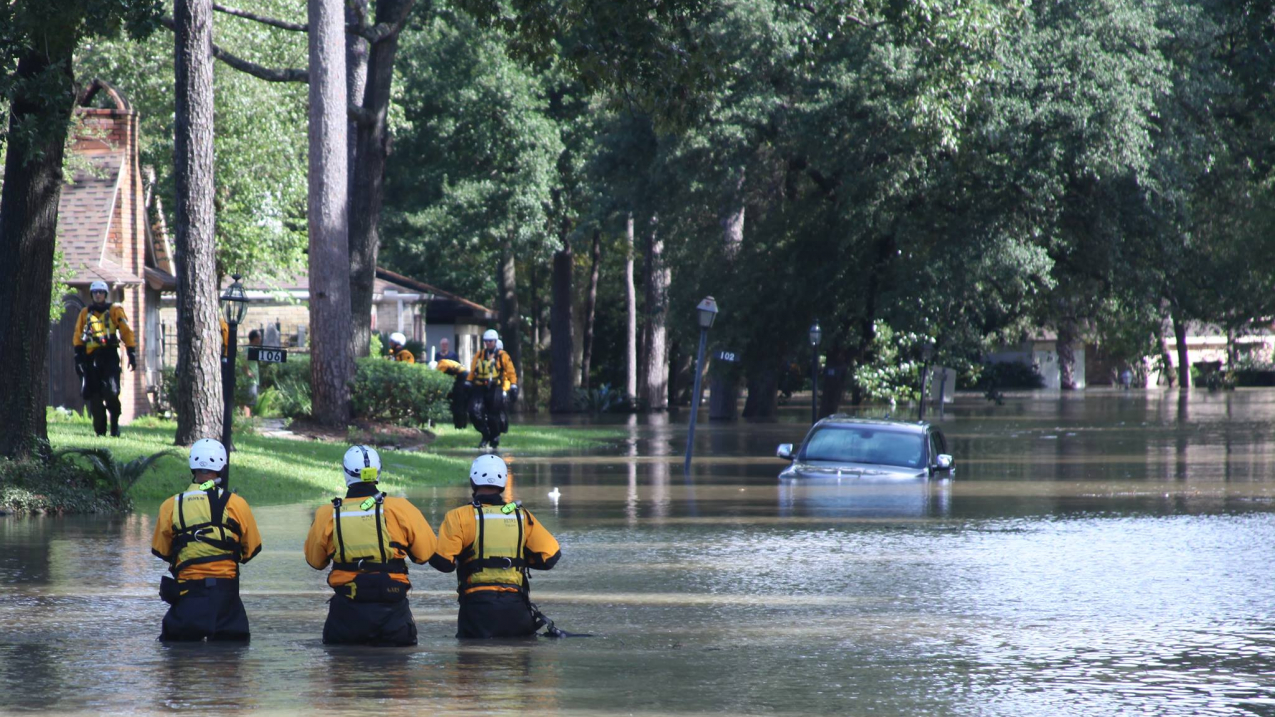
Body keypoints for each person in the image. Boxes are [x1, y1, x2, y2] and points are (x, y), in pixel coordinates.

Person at [304, 446, 437, 646]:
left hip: (346, 619)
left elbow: (315, 561)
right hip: (393, 617)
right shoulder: (402, 508)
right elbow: (425, 554)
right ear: (378, 472)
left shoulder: (327, 513)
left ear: (345, 473)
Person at [429, 454, 561, 638]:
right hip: (516, 609)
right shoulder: (520, 515)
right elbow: (550, 557)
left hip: (476, 611)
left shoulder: (458, 516)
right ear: (503, 483)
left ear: (472, 481)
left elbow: (443, 563)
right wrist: (517, 559)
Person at [150, 438, 263, 642]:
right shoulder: (236, 504)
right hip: (226, 603)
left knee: (179, 661)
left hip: (187, 600)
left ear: (193, 466)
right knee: (230, 663)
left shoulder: (170, 506)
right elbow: (251, 550)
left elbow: (163, 551)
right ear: (221, 467)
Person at [73, 280, 137, 437]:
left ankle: (114, 425)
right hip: (91, 357)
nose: (98, 295)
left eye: (101, 292)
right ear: (92, 295)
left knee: (111, 390)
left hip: (109, 356)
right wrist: (79, 358)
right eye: (95, 292)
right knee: (94, 394)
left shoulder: (115, 310)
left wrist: (131, 353)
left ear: (105, 294)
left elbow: (126, 331)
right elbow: (78, 336)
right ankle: (100, 431)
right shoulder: (85, 313)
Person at [467, 329, 517, 449]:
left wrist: (513, 385)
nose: (488, 343)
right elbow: (473, 370)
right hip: (480, 386)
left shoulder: (502, 356)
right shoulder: (479, 354)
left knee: (493, 415)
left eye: (491, 341)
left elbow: (510, 372)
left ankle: (494, 437)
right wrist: (468, 382)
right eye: (486, 341)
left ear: (495, 341)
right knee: (474, 411)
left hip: (495, 388)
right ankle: (485, 433)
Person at [435, 356, 470, 430]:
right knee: (462, 404)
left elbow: (442, 378)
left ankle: (459, 425)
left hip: (462, 378)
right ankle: (463, 424)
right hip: (465, 376)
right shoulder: (445, 362)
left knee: (458, 403)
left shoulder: (441, 365)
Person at [239, 329, 262, 417]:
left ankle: (248, 419)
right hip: (250, 380)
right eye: (259, 337)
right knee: (249, 401)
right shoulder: (248, 349)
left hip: (255, 379)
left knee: (252, 400)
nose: (260, 339)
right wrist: (247, 372)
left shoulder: (255, 349)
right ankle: (247, 420)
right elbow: (244, 360)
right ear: (255, 338)